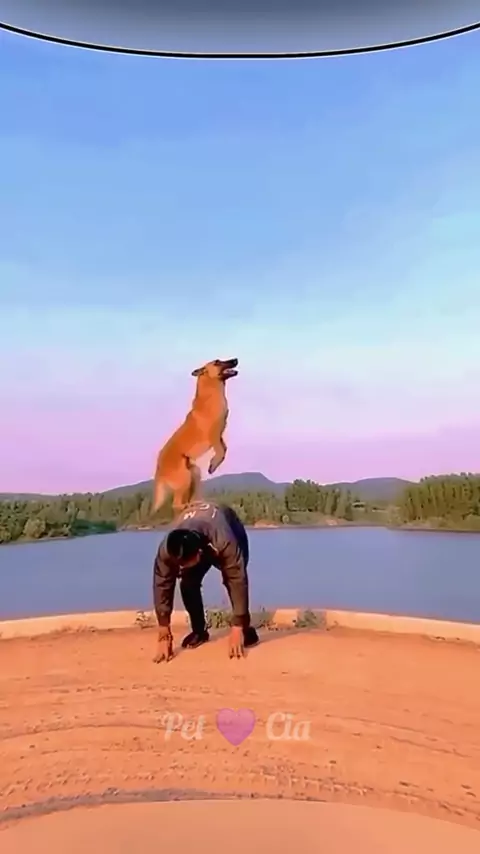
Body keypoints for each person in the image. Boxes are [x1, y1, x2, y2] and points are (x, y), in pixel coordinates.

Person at [152, 500, 259, 662]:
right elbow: (162, 583)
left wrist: (237, 626)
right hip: (196, 532)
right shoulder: (167, 549)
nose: (180, 568)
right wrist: (163, 630)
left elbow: (237, 579)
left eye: (185, 564)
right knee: (188, 582)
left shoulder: (223, 540)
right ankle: (199, 631)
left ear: (199, 553)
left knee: (235, 576)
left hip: (228, 525)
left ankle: (245, 627)